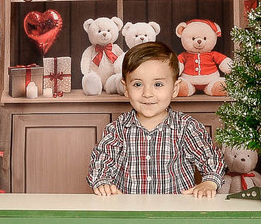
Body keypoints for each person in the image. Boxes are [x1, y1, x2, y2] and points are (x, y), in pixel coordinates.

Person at [88, 42, 225, 197]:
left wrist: (209, 182)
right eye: (138, 84)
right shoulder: (117, 129)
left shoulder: (186, 127)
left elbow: (210, 158)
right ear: (126, 88)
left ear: (175, 88)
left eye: (158, 84)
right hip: (130, 209)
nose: (147, 93)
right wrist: (103, 182)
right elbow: (102, 161)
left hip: (176, 209)